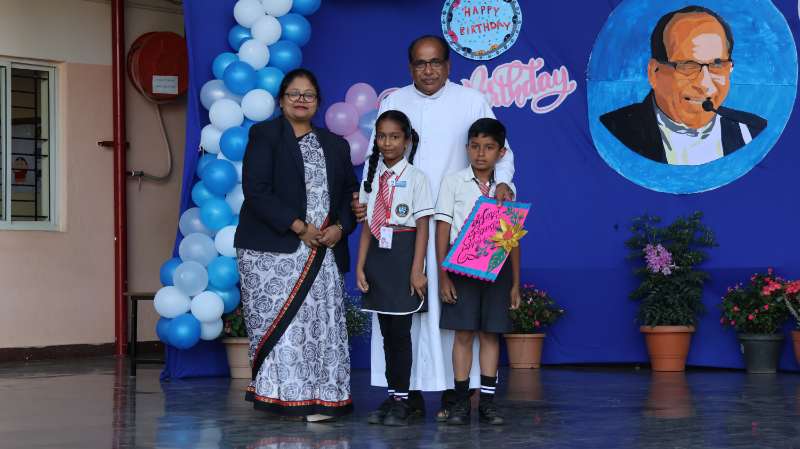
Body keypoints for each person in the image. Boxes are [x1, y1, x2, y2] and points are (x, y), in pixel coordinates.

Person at [352, 34, 517, 421]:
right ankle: (403, 394)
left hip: (455, 225)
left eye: (435, 62)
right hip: (401, 226)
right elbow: (377, 154)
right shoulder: (395, 102)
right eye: (420, 63)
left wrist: (504, 183)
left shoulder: (471, 101)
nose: (428, 70)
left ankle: (453, 393)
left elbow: (501, 149)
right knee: (399, 314)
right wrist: (366, 196)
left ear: (448, 65)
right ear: (410, 66)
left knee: (452, 314)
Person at [234, 68, 359, 421]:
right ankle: (282, 396)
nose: (301, 100)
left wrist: (340, 228)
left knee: (322, 326)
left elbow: (351, 196)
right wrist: (300, 228)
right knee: (285, 327)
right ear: (281, 99)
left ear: (318, 102)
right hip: (272, 253)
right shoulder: (265, 135)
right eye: (294, 93)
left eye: (309, 95)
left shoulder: (335, 145)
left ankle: (323, 399)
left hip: (323, 250)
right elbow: (256, 190)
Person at [600, 5, 767, 165]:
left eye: (717, 65)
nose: (705, 84)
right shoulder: (613, 133)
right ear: (654, 72)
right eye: (688, 66)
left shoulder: (752, 132)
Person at [435, 118, 521, 425]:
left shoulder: (506, 189)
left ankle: (487, 402)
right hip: (461, 269)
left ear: (501, 152)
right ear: (467, 148)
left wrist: (515, 282)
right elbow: (442, 228)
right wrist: (443, 274)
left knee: (490, 335)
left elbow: (512, 235)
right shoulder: (453, 182)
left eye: (488, 147)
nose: (480, 153)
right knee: (463, 334)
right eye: (474, 146)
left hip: (497, 271)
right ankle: (460, 402)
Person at [355, 110, 434, 426]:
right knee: (386, 334)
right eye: (382, 136)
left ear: (407, 141)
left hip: (403, 257)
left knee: (401, 334)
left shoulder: (417, 178)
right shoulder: (371, 178)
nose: (387, 143)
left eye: (395, 136)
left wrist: (418, 270)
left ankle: (404, 400)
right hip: (378, 258)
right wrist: (360, 266)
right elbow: (366, 228)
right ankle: (393, 396)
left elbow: (423, 228)